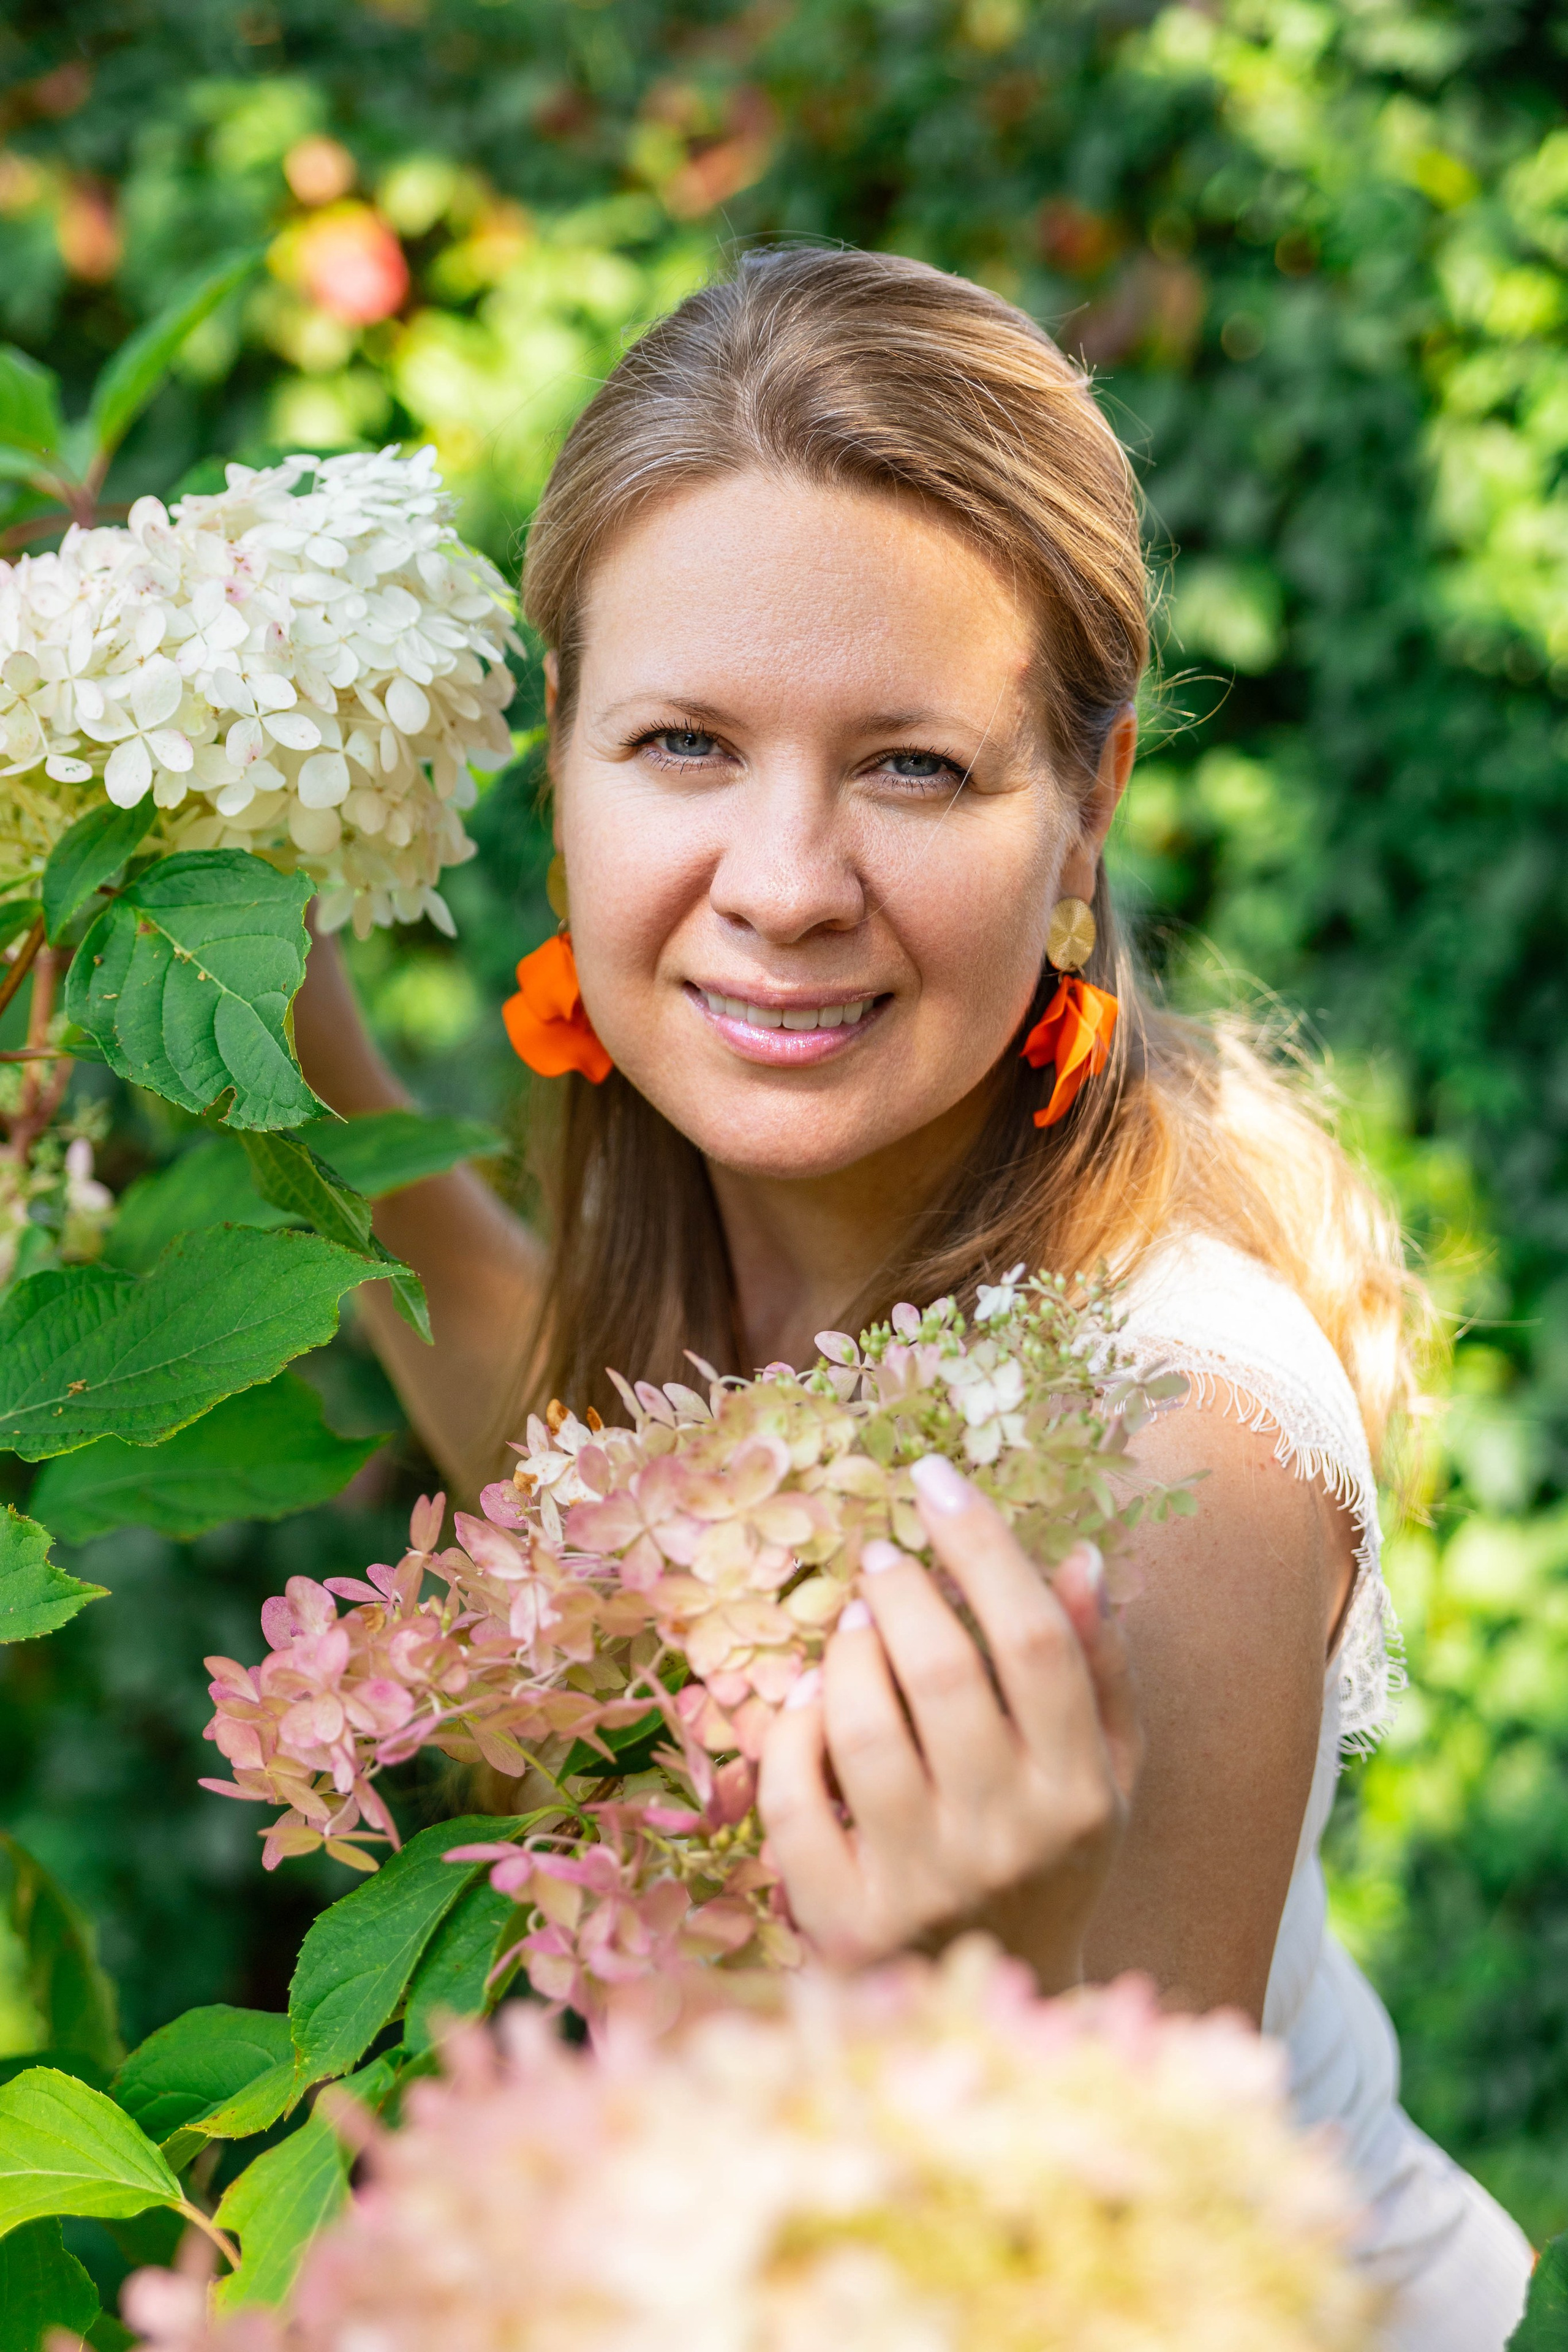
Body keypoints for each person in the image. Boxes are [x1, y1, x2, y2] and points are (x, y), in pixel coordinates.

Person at [292, 246, 1532, 2346]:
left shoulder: (1166, 1468)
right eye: (685, 741)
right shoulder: (728, 1269)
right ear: (563, 769)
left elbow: (1118, 2309)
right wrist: (259, 1005)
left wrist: (935, 1982)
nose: (783, 886)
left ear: (1085, 816)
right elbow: (537, 1417)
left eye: (914, 770)